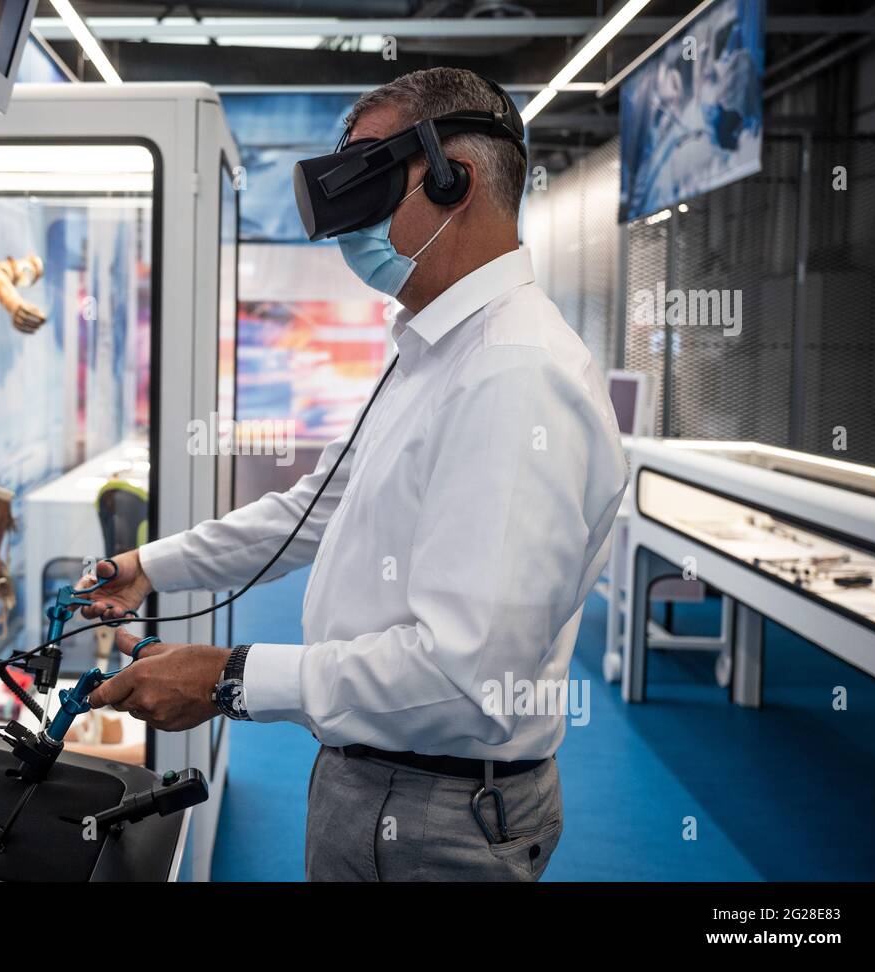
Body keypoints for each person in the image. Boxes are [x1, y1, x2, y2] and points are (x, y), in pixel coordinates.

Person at [84, 67, 628, 881]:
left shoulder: (514, 376)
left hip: (433, 809)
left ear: (456, 181)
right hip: (380, 776)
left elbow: (465, 675)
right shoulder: (437, 351)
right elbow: (315, 510)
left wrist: (230, 679)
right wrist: (146, 566)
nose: (346, 221)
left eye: (371, 175)